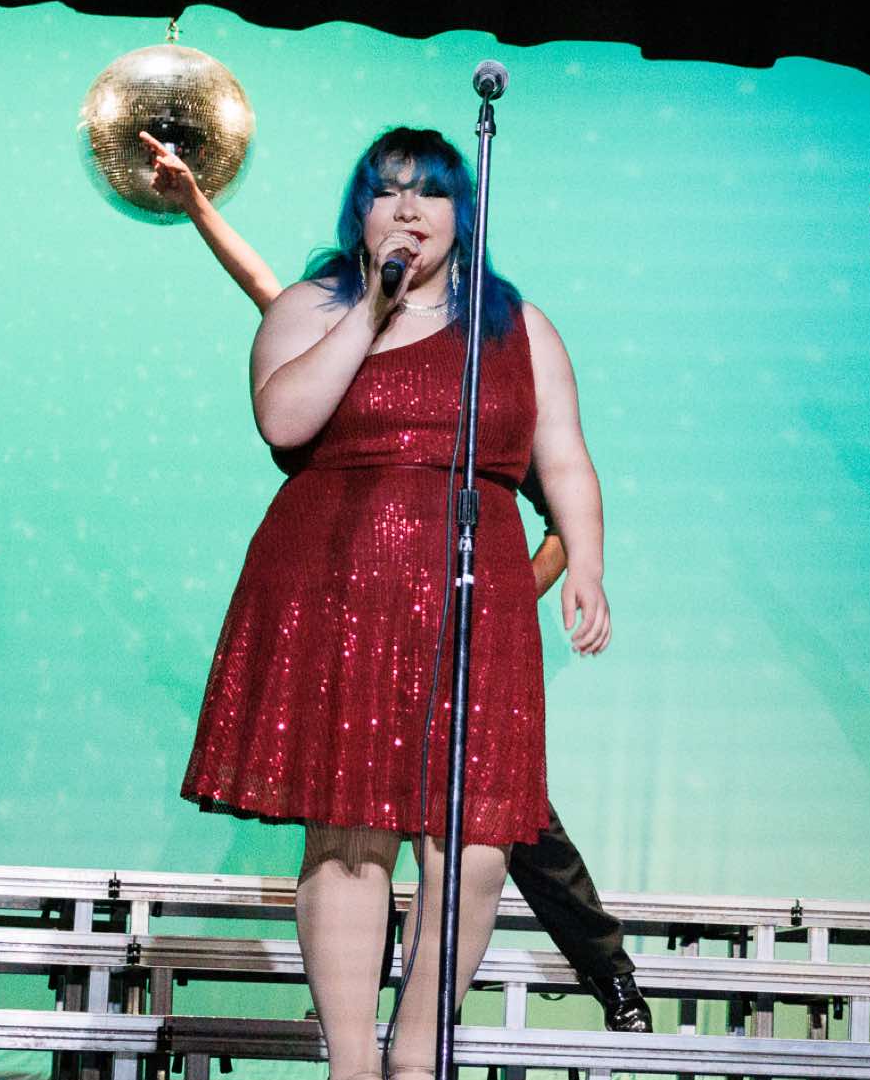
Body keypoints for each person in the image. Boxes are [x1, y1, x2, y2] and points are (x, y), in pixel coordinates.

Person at [144, 131, 653, 1034]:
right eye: (388, 191)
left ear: (466, 212)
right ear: (361, 209)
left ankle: (424, 1058)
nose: (410, 208)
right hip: (341, 593)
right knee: (350, 831)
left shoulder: (514, 328)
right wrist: (372, 308)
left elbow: (566, 459)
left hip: (470, 606)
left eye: (432, 192)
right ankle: (354, 1072)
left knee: (482, 843)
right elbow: (284, 419)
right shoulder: (321, 306)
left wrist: (587, 564)